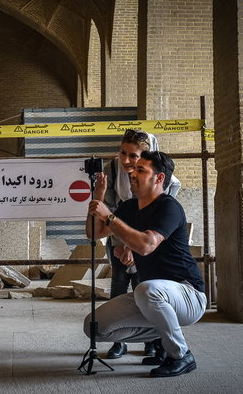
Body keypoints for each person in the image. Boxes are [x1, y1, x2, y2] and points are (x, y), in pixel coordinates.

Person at [84, 151, 206, 377]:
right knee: (94, 327)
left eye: (141, 170)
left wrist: (110, 217)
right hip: (153, 297)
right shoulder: (129, 208)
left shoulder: (168, 207)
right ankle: (160, 335)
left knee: (146, 289)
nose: (132, 173)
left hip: (188, 294)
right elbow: (93, 233)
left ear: (159, 178)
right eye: (133, 169)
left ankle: (181, 355)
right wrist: (99, 196)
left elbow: (146, 245)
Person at [96, 130, 181, 360]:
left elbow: (159, 217)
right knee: (118, 285)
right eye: (122, 153)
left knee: (146, 288)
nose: (125, 160)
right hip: (118, 241)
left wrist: (135, 247)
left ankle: (152, 341)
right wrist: (122, 245)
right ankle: (119, 341)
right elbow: (110, 214)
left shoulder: (163, 178)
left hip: (149, 242)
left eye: (133, 156)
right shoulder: (112, 171)